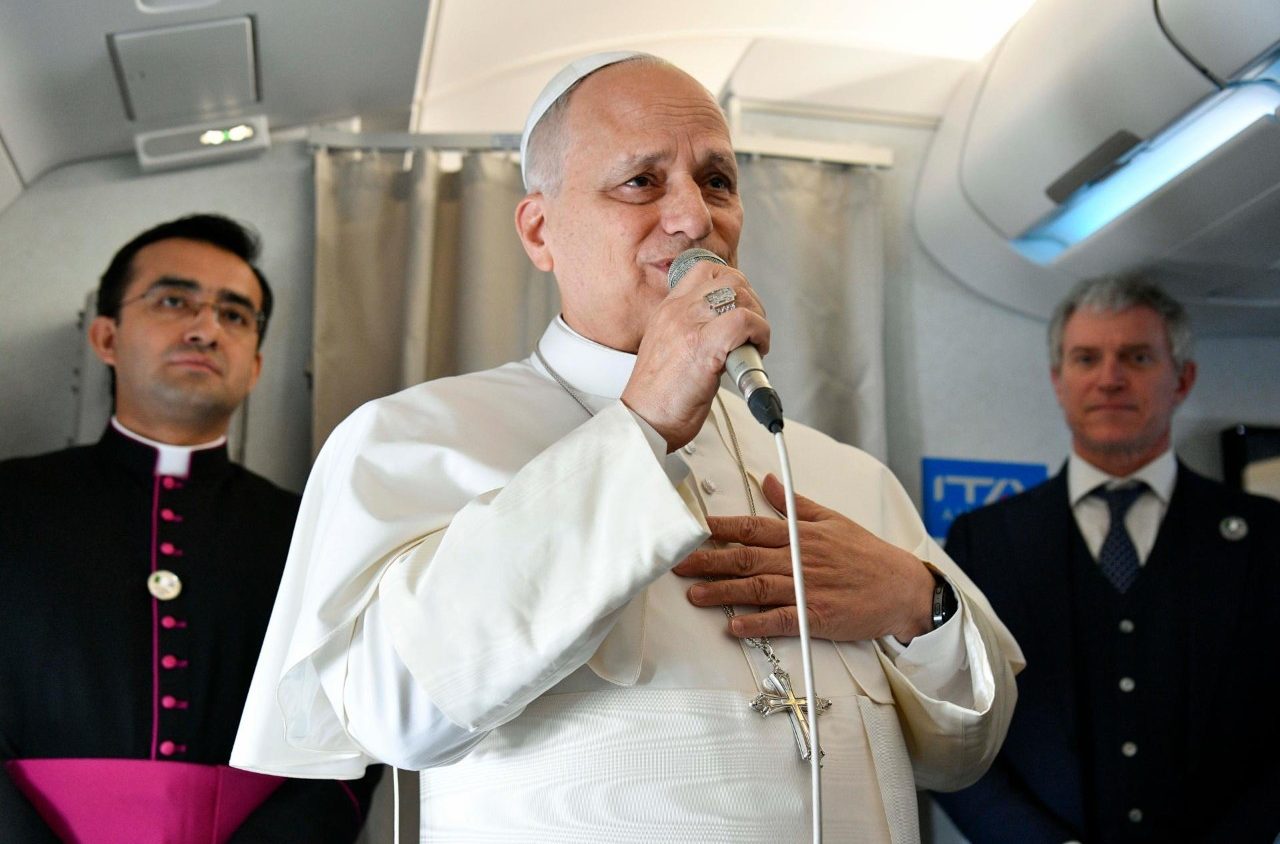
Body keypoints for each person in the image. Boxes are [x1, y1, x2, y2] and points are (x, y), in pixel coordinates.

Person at [232, 53, 1023, 841]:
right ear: (540, 230)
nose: (696, 219)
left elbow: (963, 756)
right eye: (641, 182)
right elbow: (395, 712)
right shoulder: (411, 439)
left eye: (716, 181)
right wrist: (641, 426)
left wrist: (920, 602)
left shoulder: (846, 476)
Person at [0, 215, 380, 842]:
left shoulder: (312, 532)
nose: (206, 329)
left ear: (254, 365)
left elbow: (346, 734)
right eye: (174, 302)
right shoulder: (11, 500)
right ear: (106, 337)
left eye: (234, 315)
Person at [933, 274, 1280, 843]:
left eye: (1137, 357)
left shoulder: (1265, 539)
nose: (1110, 378)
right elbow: (947, 725)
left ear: (1183, 379)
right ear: (1059, 381)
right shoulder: (985, 541)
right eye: (1086, 358)